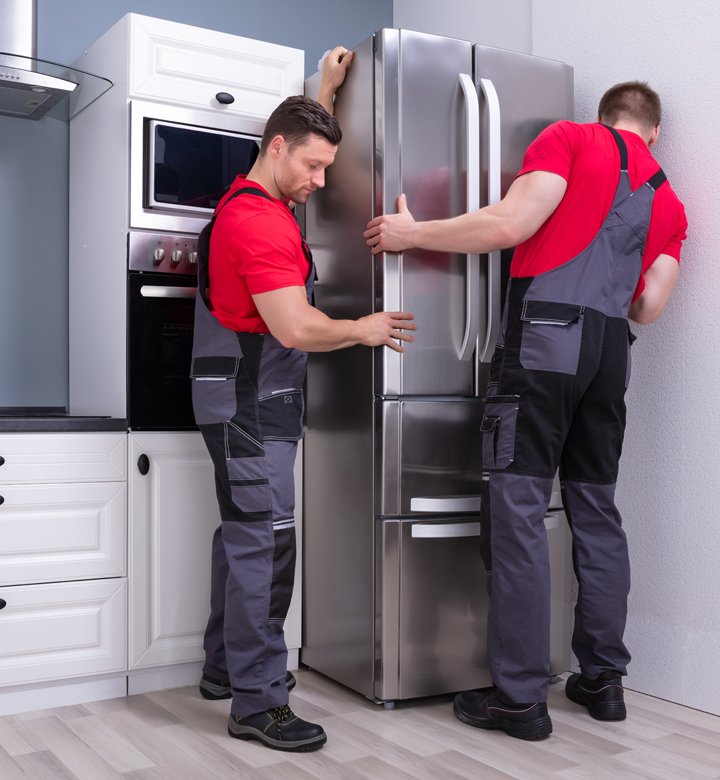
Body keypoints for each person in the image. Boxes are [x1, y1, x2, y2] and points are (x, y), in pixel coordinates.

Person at [364, 81, 687, 741]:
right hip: (609, 356)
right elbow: (647, 306)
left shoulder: (571, 139)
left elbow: (510, 225)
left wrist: (411, 231)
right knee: (595, 511)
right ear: (652, 133)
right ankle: (602, 681)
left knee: (516, 513)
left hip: (545, 340)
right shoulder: (670, 201)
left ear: (608, 117)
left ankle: (518, 698)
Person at [191, 46, 416, 753]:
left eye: (326, 169)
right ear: (277, 148)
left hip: (244, 400)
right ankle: (260, 704)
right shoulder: (257, 223)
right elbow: (293, 326)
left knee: (243, 537)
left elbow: (295, 133)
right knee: (268, 547)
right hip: (253, 408)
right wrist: (366, 328)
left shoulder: (256, 195)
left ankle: (225, 670)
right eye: (313, 167)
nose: (320, 182)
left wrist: (324, 88)